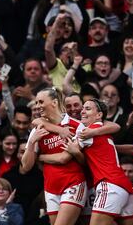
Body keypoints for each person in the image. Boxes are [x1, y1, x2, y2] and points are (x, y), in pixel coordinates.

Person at [21, 87, 88, 225]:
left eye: (41, 102)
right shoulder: (37, 130)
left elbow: (64, 158)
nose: (38, 106)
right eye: (36, 103)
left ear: (54, 102)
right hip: (51, 187)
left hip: (73, 183)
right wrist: (33, 141)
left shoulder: (77, 126)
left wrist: (41, 157)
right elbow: (26, 166)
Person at [73, 98, 133, 225]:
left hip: (109, 184)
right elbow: (116, 126)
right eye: (83, 108)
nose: (82, 111)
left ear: (99, 115)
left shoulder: (86, 132)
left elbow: (68, 154)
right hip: (125, 186)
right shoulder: (104, 129)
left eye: (88, 109)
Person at [2, 141, 43, 224]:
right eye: (22, 152)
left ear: (35, 155)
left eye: (30, 152)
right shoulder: (7, 176)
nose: (26, 155)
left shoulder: (42, 177)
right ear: (17, 155)